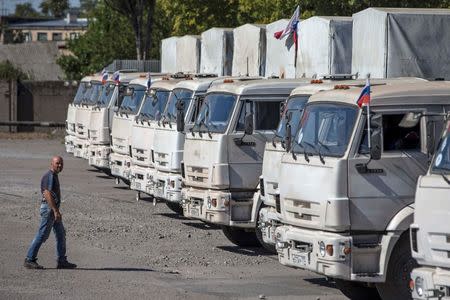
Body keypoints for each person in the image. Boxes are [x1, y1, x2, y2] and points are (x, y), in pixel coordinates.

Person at [24, 156, 77, 269]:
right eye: (57, 163)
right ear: (51, 164)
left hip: (52, 210)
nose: (59, 166)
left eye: (61, 164)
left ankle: (62, 261)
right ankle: (29, 259)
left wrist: (56, 211)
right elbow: (47, 193)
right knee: (42, 234)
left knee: (61, 234)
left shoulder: (54, 176)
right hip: (49, 210)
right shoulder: (50, 176)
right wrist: (55, 210)